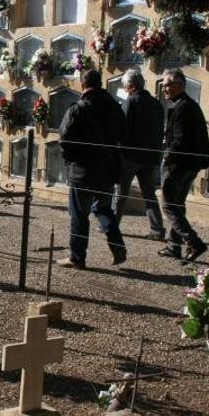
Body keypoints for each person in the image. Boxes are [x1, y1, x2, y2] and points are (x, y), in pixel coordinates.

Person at [57, 69, 127, 269]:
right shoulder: (115, 107)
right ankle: (118, 246)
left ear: (82, 84)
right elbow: (124, 135)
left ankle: (77, 257)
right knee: (103, 208)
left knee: (79, 214)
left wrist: (71, 162)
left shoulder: (77, 108)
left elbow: (64, 139)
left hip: (82, 171)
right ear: (101, 83)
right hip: (107, 170)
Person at [159, 68, 209, 262]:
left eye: (168, 84)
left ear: (180, 85)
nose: (164, 88)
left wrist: (167, 156)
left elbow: (180, 139)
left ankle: (194, 242)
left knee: (169, 206)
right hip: (189, 164)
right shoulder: (186, 104)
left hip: (179, 164)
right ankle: (174, 246)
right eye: (163, 84)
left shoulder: (182, 107)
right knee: (177, 204)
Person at [113, 69, 166, 241]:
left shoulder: (131, 102)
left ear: (131, 86)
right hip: (150, 156)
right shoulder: (156, 103)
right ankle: (157, 229)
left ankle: (112, 225)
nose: (125, 89)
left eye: (125, 86)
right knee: (149, 193)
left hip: (130, 156)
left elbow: (123, 129)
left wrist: (119, 150)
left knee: (121, 192)